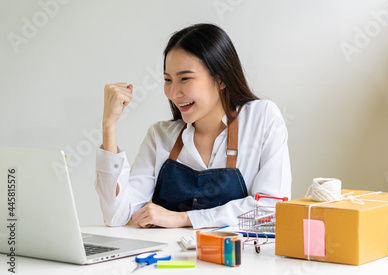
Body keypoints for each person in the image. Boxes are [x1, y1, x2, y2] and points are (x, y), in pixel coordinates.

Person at [95, 23, 291, 229]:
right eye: (168, 80)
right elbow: (115, 216)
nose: (173, 93)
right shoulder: (160, 136)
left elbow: (271, 209)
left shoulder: (262, 118)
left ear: (221, 78)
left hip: (234, 259)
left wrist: (184, 218)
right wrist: (109, 126)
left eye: (185, 78)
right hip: (170, 260)